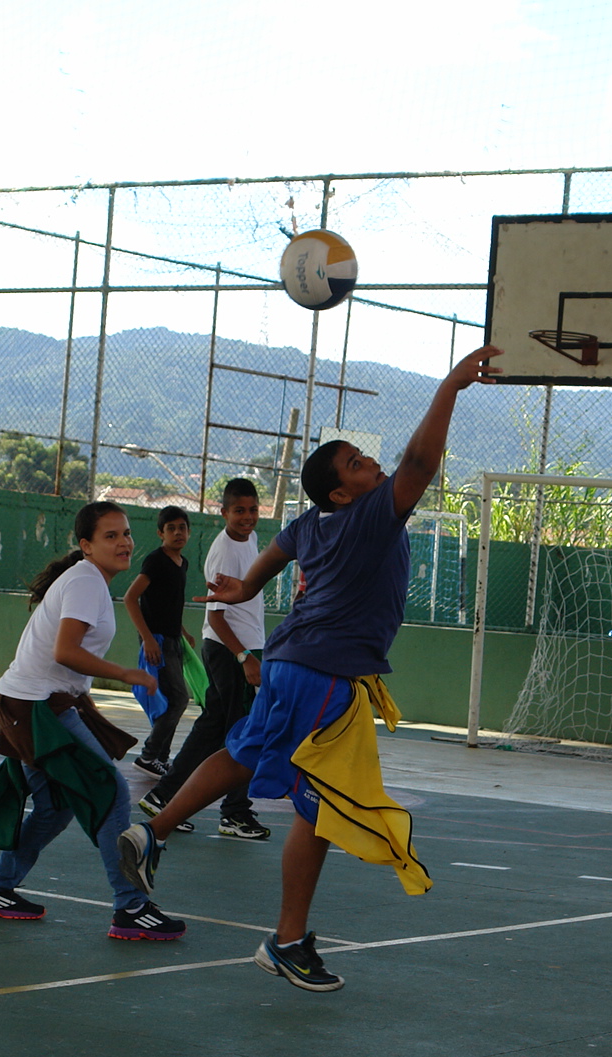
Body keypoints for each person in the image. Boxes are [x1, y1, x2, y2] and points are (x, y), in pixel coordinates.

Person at [118, 346, 502, 992]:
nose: (371, 463)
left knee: (245, 754)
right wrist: (451, 386)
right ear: (340, 491)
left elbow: (270, 558)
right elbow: (419, 461)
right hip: (325, 676)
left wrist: (243, 591)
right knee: (317, 805)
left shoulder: (312, 522)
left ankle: (152, 834)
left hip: (293, 663)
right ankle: (286, 939)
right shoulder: (372, 517)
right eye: (356, 463)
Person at [0, 501, 186, 942]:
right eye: (110, 536)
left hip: (33, 702)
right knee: (110, 790)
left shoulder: (89, 580)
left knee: (56, 806)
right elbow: (64, 651)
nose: (124, 542)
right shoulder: (86, 582)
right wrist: (125, 673)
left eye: (125, 533)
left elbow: (64, 660)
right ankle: (130, 907)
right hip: (36, 708)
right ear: (86, 545)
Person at [138, 479, 272, 842]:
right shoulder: (225, 551)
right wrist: (244, 656)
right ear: (224, 512)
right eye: (239, 511)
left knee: (214, 726)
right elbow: (215, 617)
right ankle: (235, 812)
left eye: (253, 509)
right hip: (230, 650)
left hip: (241, 648)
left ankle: (162, 797)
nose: (247, 517)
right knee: (243, 732)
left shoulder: (252, 541)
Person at [123, 506, 197, 774]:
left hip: (173, 639)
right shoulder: (156, 561)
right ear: (160, 533)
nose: (178, 533)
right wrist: (147, 639)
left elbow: (168, 603)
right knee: (178, 699)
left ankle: (159, 759)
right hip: (157, 642)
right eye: (171, 528)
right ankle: (149, 755)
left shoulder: (182, 563)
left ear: (189, 532)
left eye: (182, 528)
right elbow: (131, 598)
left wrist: (183, 631)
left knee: (174, 700)